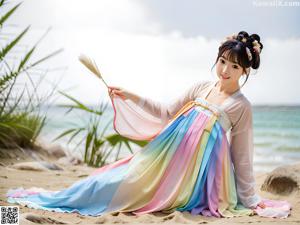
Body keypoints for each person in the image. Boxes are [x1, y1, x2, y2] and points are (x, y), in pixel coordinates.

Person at [6, 31, 291, 218]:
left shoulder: (242, 106)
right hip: (162, 161)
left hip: (191, 180)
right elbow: (166, 112)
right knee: (106, 181)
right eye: (222, 61)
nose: (226, 70)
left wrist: (250, 198)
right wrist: (130, 95)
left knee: (127, 195)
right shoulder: (202, 87)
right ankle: (54, 198)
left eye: (235, 66)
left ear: (245, 71)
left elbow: (241, 157)